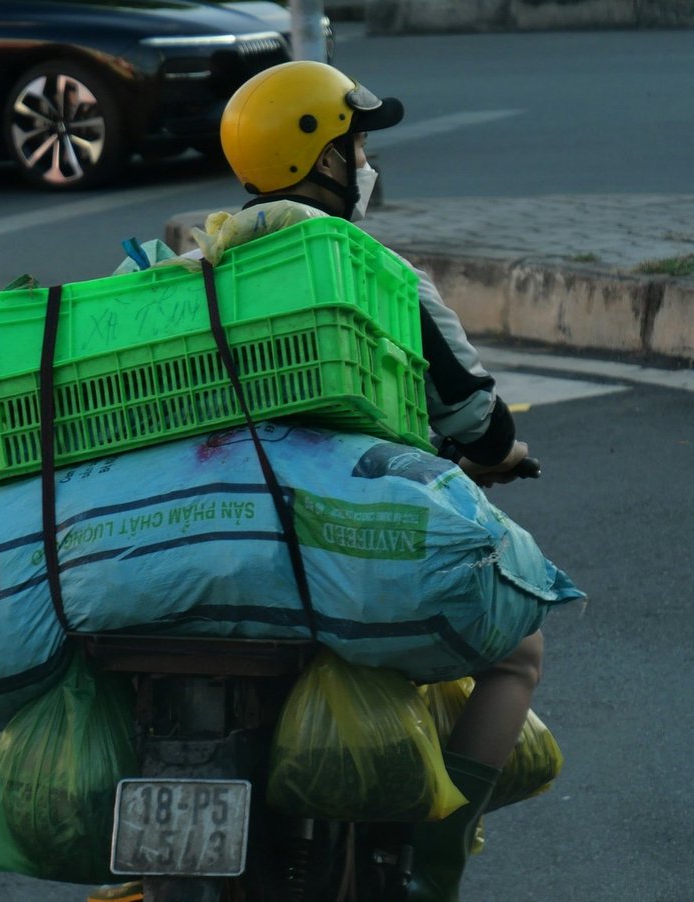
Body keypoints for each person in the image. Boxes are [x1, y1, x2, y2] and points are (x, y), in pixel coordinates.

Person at [214, 60, 547, 902]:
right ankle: (438, 856)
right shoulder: (377, 274)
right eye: (355, 139)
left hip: (201, 537)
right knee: (519, 652)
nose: (365, 157)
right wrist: (501, 454)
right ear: (321, 158)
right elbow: (479, 420)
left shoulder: (190, 264)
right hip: (334, 547)